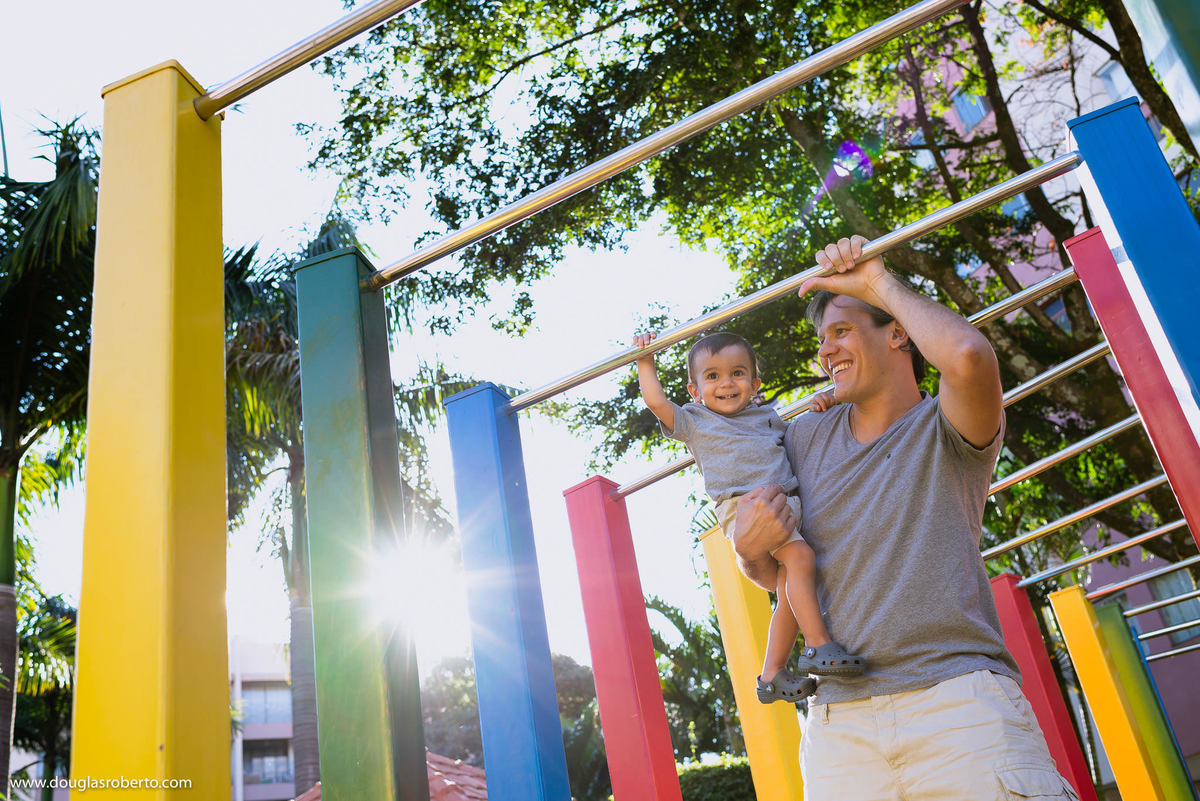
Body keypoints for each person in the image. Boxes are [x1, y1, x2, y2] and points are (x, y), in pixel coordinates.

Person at [731, 235, 1079, 800]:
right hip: (839, 730)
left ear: (898, 332)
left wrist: (877, 283)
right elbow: (780, 576)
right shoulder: (801, 440)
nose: (826, 351)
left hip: (959, 706)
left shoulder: (946, 427)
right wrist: (748, 551)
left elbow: (968, 356)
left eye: (841, 331)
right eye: (822, 340)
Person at [632, 328, 865, 706]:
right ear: (695, 391)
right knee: (802, 559)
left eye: (737, 373)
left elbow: (798, 441)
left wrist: (820, 405)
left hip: (785, 505)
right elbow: (656, 402)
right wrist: (646, 361)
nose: (726, 383)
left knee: (791, 589)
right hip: (746, 506)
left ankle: (771, 674)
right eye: (712, 376)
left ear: (755, 383)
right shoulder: (695, 421)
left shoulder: (767, 417)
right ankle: (819, 645)